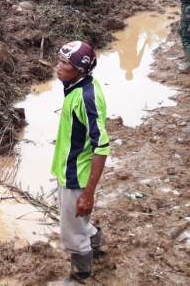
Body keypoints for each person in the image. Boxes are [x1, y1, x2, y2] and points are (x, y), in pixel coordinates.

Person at [50, 41, 110, 282]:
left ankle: (80, 274)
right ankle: (96, 242)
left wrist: (88, 193)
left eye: (65, 63)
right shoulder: (78, 86)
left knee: (71, 232)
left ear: (80, 69)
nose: (58, 67)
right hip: (68, 168)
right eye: (59, 60)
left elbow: (102, 147)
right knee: (77, 220)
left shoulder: (85, 98)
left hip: (77, 175)